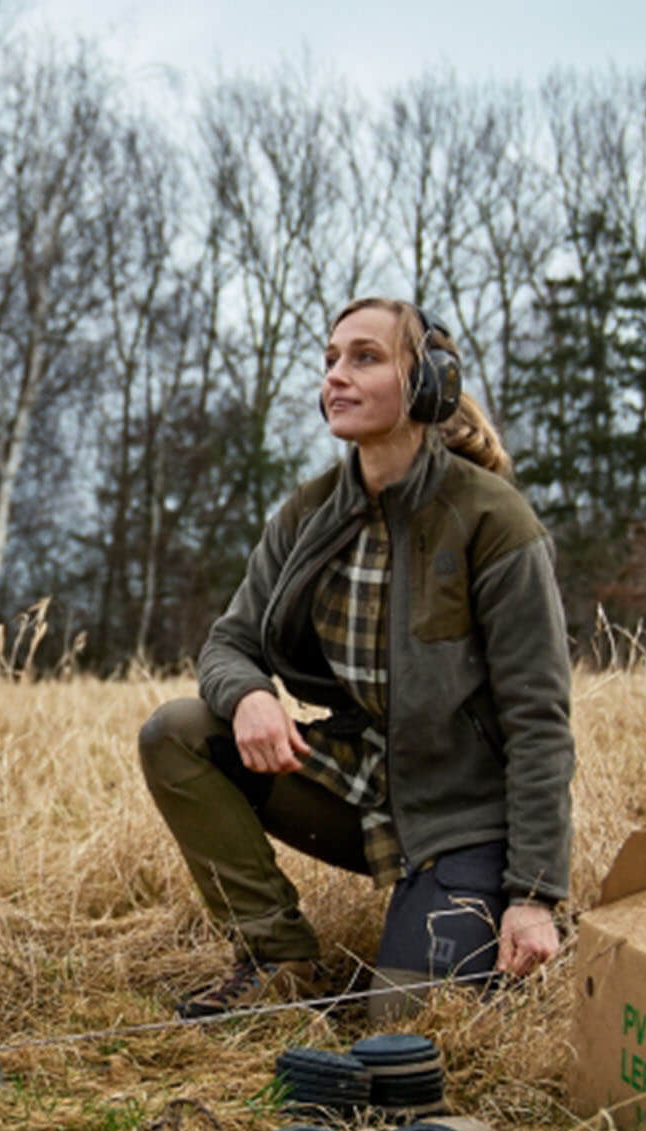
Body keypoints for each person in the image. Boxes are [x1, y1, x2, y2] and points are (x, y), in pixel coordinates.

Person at [139, 298, 574, 1016]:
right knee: (178, 732)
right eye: (330, 360)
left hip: (463, 816)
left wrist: (532, 896)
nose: (337, 377)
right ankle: (276, 956)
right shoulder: (308, 513)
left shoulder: (494, 521)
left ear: (430, 381)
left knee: (401, 1025)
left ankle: (484, 903)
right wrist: (249, 695)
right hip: (356, 780)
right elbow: (229, 640)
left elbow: (540, 722)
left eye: (365, 358)